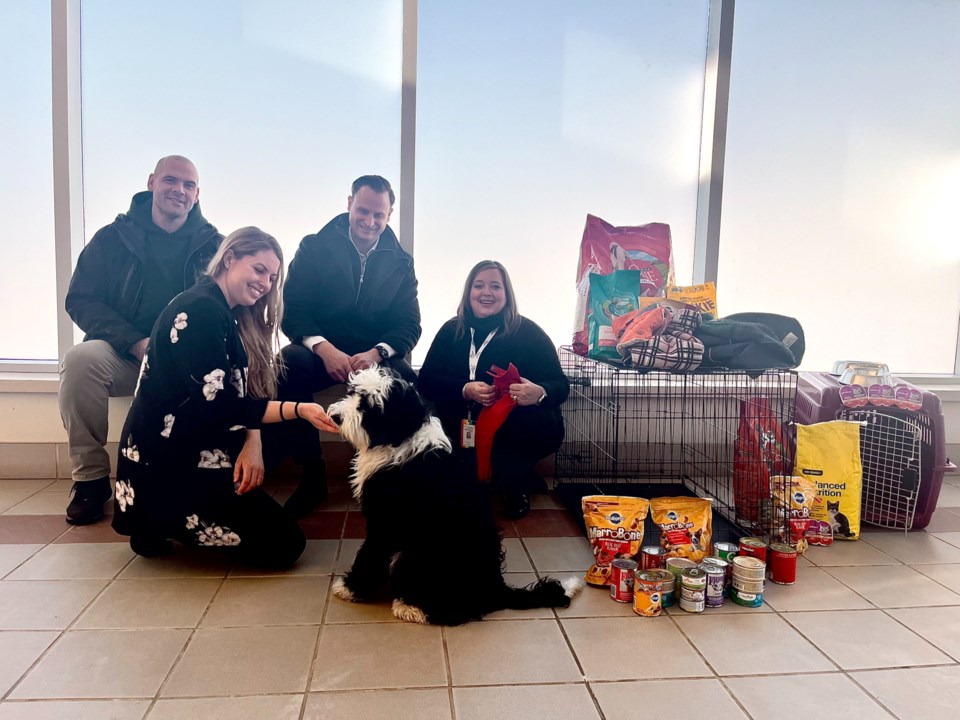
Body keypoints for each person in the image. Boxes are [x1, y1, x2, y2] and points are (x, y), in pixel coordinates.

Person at [111, 227, 339, 567]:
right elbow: (221, 407)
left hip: (195, 439)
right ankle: (161, 518)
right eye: (259, 269)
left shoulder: (220, 309)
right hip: (174, 460)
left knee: (288, 427)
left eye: (272, 277)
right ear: (229, 258)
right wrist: (298, 409)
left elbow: (235, 394)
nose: (265, 283)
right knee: (285, 545)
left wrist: (253, 441)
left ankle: (161, 519)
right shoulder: (201, 311)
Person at [60, 156, 222, 525]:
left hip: (185, 361)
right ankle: (90, 480)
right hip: (123, 353)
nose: (179, 191)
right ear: (151, 183)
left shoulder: (216, 245)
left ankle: (195, 477)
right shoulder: (112, 238)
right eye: (170, 180)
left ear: (197, 195)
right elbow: (80, 298)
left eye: (188, 185)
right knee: (80, 360)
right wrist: (135, 342)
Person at [270, 175, 421, 516]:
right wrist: (324, 348)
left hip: (372, 356)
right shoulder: (313, 247)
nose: (369, 222)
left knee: (406, 380)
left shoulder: (402, 262)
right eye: (363, 211)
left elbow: (409, 324)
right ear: (349, 203)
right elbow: (292, 311)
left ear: (390, 213)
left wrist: (377, 353)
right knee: (287, 364)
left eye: (378, 215)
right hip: (319, 353)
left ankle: (383, 471)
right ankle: (312, 476)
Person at [417, 260, 569, 519]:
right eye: (479, 286)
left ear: (506, 295)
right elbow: (426, 380)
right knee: (454, 491)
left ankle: (516, 483)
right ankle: (499, 476)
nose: (486, 293)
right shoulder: (451, 330)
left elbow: (560, 385)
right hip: (458, 425)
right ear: (469, 293)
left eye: (495, 286)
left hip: (510, 428)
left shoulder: (528, 331)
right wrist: (464, 389)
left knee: (537, 418)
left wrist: (539, 392)